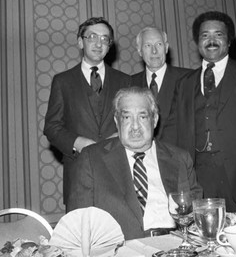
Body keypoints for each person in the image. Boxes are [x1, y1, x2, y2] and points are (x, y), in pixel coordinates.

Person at [163, 11, 236, 221]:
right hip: (198, 186)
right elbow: (170, 137)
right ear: (197, 43)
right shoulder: (184, 84)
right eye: (204, 36)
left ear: (229, 41)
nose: (211, 40)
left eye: (218, 35)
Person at [67, 87, 202, 240]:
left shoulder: (179, 158)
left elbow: (196, 214)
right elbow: (77, 224)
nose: (135, 127)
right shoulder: (92, 159)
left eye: (142, 117)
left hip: (175, 246)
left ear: (155, 119)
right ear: (116, 121)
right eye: (127, 118)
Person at [44, 17, 131, 203]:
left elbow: (133, 122)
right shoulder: (62, 81)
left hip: (119, 173)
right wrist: (78, 142)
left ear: (110, 45)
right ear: (80, 41)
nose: (99, 43)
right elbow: (52, 127)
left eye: (105, 39)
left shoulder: (125, 81)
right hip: (78, 175)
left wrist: (120, 135)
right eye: (92, 37)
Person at [131, 27, 191, 138]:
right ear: (139, 51)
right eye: (148, 45)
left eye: (159, 44)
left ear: (166, 48)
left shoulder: (189, 79)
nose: (154, 51)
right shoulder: (130, 84)